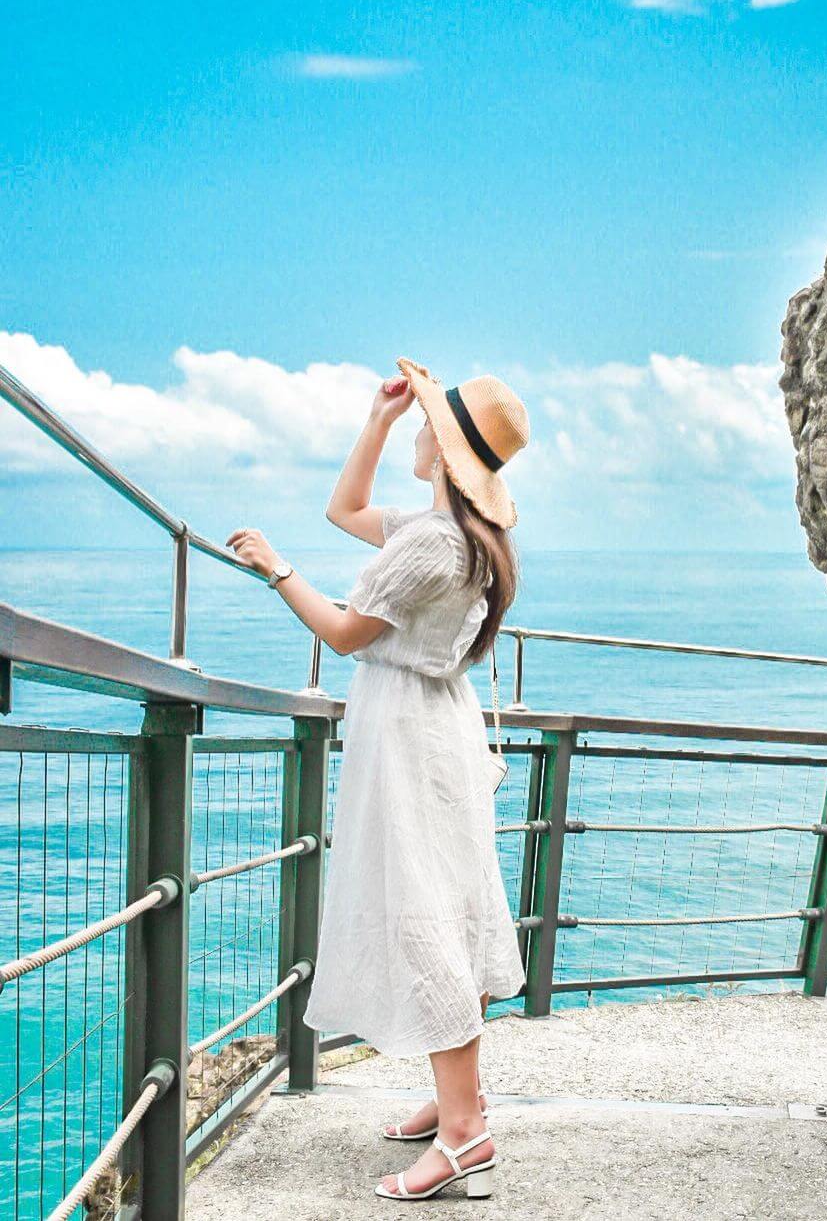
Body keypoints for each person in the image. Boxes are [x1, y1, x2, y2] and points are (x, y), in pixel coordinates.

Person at [226, 355, 530, 1202]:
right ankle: (454, 1098)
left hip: (408, 741)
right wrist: (380, 418)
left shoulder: (433, 543)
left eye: (429, 418)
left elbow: (345, 632)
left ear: (446, 445)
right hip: (438, 732)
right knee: (450, 908)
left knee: (424, 918)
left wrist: (276, 569)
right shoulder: (462, 535)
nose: (421, 425)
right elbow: (347, 510)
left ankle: (467, 1135)